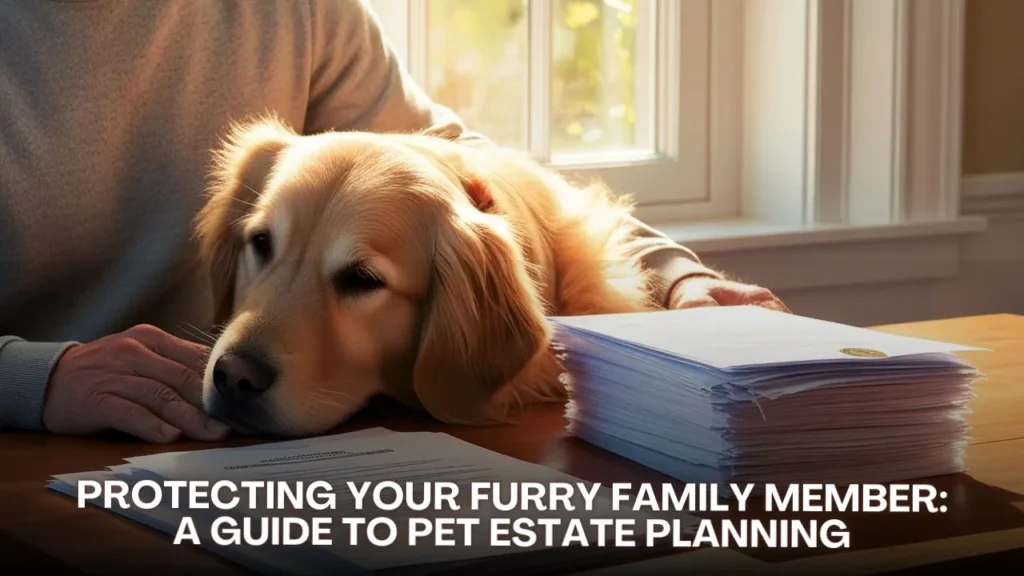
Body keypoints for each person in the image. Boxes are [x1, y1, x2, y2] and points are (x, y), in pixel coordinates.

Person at [0, 0, 787, 443]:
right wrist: (39, 377)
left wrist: (677, 277)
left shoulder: (296, 11)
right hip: (35, 452)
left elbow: (460, 169)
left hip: (245, 450)